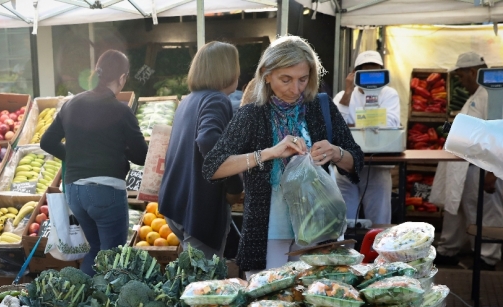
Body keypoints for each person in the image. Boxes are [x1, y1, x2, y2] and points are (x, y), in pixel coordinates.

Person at [202, 36, 364, 272]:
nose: (295, 88)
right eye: (285, 79)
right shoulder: (251, 115)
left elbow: (356, 160)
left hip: (319, 229)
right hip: (268, 234)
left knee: (317, 299)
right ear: (267, 75)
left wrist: (335, 152)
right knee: (270, 305)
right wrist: (268, 153)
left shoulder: (321, 107)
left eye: (303, 79)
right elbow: (213, 167)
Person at [40, 49, 148, 275]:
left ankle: (85, 305)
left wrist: (73, 155)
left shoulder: (71, 104)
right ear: (121, 78)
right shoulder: (121, 110)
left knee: (95, 251)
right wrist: (119, 148)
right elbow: (141, 156)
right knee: (113, 258)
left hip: (74, 191)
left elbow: (47, 141)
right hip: (105, 191)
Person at [159, 41, 243, 260]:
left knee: (193, 279)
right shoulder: (217, 100)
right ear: (226, 69)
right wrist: (234, 187)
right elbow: (207, 139)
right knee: (203, 287)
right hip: (199, 210)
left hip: (177, 205)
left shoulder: (188, 100)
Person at [430, 51, 503, 271]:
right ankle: (449, 250)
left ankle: (487, 257)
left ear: (472, 71)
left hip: (485, 167)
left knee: (485, 210)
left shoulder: (492, 94)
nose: (460, 82)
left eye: (461, 76)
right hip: (467, 166)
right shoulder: (477, 94)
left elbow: (498, 135)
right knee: (460, 208)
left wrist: (493, 173)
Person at [332, 51, 401, 225]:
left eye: (375, 72)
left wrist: (357, 123)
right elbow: (336, 126)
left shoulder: (389, 94)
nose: (371, 78)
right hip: (346, 168)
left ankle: (380, 253)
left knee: (379, 221)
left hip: (377, 168)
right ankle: (347, 251)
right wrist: (348, 93)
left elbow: (391, 122)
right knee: (344, 221)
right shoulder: (341, 97)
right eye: (365, 73)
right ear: (354, 74)